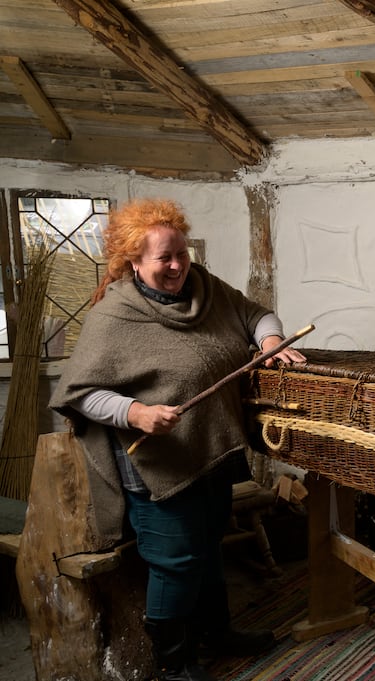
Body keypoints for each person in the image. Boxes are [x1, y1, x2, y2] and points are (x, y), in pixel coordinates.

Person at [50, 198, 307, 681]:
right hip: (157, 462)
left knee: (208, 546)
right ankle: (174, 663)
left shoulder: (205, 288)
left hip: (207, 445)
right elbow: (80, 393)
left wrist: (270, 341)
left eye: (181, 255)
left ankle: (217, 633)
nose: (177, 267)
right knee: (175, 562)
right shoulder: (115, 315)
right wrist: (135, 411)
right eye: (164, 259)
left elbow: (257, 314)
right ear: (133, 260)